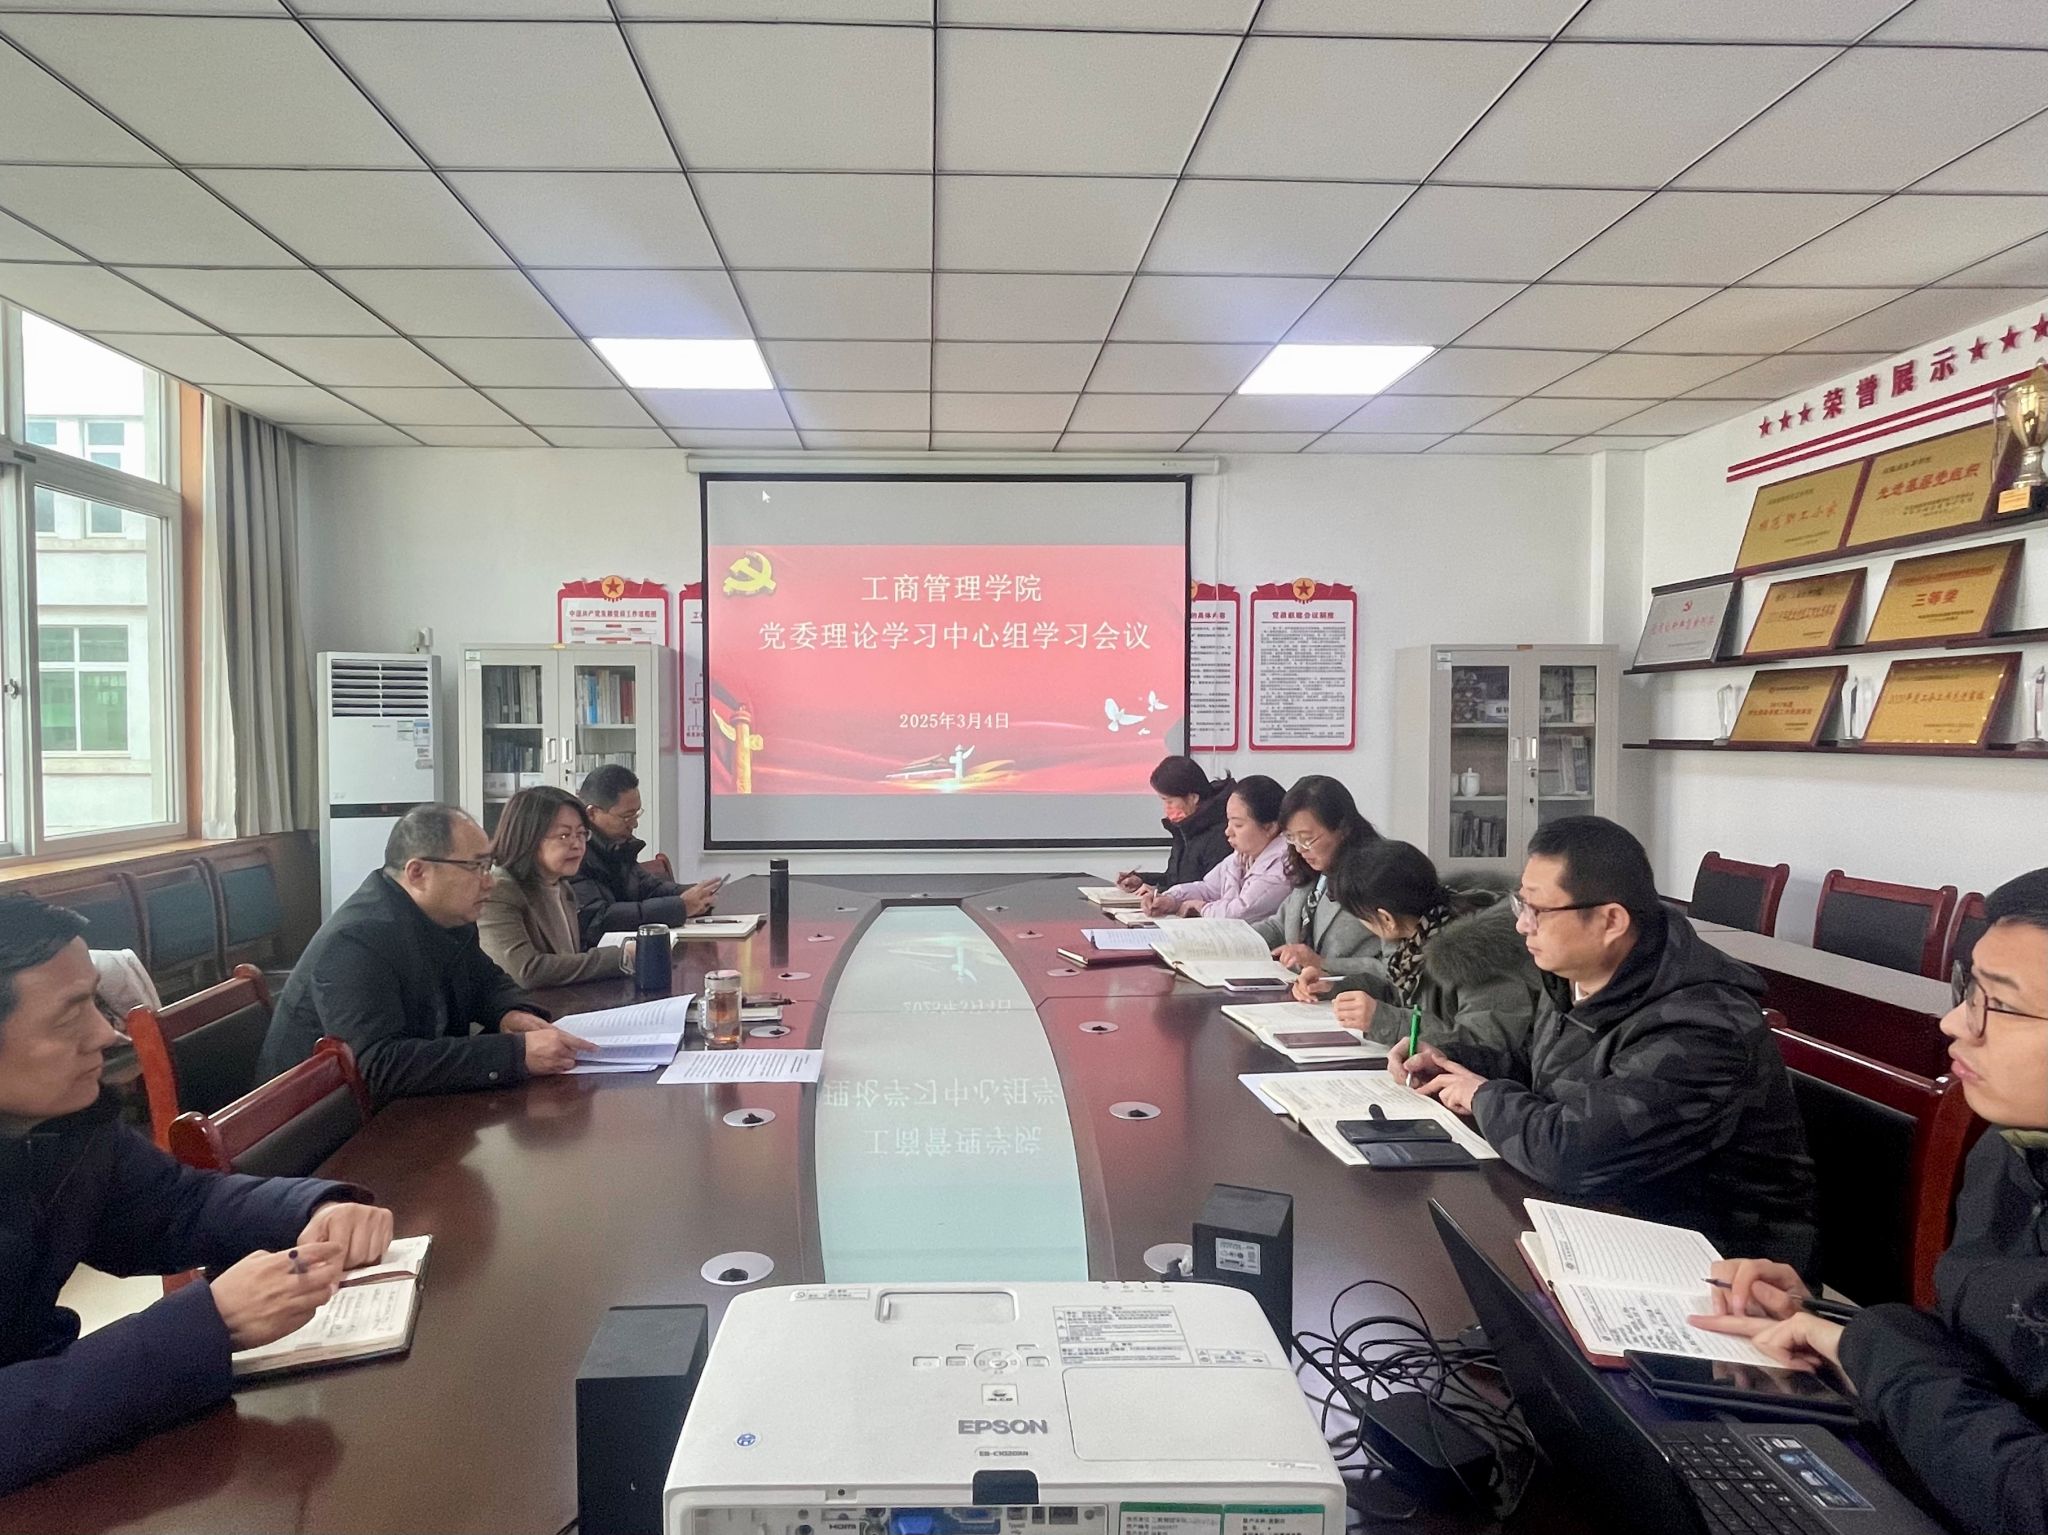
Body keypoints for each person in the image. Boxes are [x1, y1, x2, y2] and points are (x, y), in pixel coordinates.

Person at [0, 892, 396, 1495]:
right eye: (69, 1016)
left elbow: (178, 1205)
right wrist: (210, 1323)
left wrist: (314, 1208)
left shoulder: (66, 1127)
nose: (108, 1034)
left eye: (96, 1003)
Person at [1693, 869, 2048, 1535]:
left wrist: (1865, 1347)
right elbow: (1976, 1348)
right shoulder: (2013, 1148)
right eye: (1968, 989)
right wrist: (1820, 1322)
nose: (1953, 1022)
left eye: (1996, 1003)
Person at [1393, 815, 1818, 1275]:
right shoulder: (1580, 975)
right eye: (1521, 903)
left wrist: (1481, 1095)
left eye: (1539, 910)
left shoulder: (1702, 1026)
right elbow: (1538, 1066)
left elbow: (1570, 1155)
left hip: (1725, 1273)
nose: (1522, 926)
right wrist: (1449, 1059)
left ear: (1611, 920)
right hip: (1607, 1226)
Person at [260, 805, 591, 1103]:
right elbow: (377, 1065)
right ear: (417, 873)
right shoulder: (356, 940)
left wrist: (510, 1013)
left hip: (407, 1103)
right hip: (314, 1123)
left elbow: (487, 982)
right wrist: (514, 1054)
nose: (489, 881)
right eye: (476, 866)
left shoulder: (448, 915)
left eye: (488, 864)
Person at [1297, 838, 1542, 1073]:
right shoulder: (1417, 939)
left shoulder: (1478, 953)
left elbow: (1484, 1045)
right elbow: (1400, 994)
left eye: (1364, 919)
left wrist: (1383, 1020)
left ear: (1386, 919)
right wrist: (1335, 987)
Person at [480, 787, 634, 989]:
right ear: (529, 838)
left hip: (565, 1001)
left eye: (581, 834)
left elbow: (568, 962)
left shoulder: (562, 887)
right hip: (523, 1007)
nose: (577, 844)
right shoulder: (498, 892)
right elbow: (527, 971)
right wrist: (621, 956)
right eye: (564, 835)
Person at [570, 765, 721, 944]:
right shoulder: (574, 855)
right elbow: (598, 919)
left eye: (637, 814)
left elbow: (649, 888)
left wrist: (695, 894)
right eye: (627, 816)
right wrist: (680, 907)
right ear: (592, 813)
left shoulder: (618, 846)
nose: (634, 824)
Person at [1248, 775, 1379, 974]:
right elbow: (1279, 927)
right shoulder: (1314, 872)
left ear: (1343, 829)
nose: (1300, 849)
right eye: (1291, 837)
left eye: (1307, 839)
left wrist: (1321, 963)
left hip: (1349, 992)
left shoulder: (1377, 878)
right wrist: (1231, 942)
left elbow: (1392, 969)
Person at [1139, 774, 1290, 922]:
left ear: (1270, 827)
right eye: (1229, 822)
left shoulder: (1282, 867)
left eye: (1238, 825)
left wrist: (1202, 908)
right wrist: (1171, 899)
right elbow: (1209, 888)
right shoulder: (1244, 855)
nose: (1228, 831)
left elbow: (1240, 913)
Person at [1113, 756, 1235, 894]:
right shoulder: (1185, 827)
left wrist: (1161, 893)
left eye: (1169, 801)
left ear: (1193, 798)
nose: (1166, 807)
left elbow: (1211, 891)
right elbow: (1175, 880)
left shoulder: (1220, 835)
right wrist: (1142, 880)